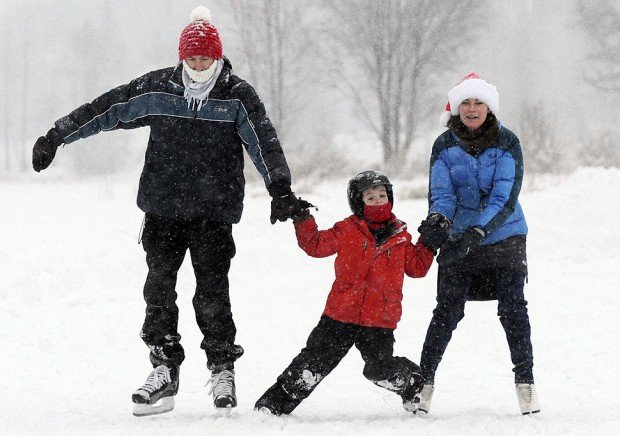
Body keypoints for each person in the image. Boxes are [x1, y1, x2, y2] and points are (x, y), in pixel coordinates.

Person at [31, 6, 305, 417]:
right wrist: (57, 136)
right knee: (158, 291)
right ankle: (163, 369)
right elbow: (109, 108)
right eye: (192, 58)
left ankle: (222, 369)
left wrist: (280, 189)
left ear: (218, 56)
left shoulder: (236, 95)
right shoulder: (160, 88)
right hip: (164, 209)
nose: (198, 65)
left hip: (214, 213)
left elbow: (263, 141)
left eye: (205, 58)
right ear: (182, 57)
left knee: (212, 295)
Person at [254, 170, 436, 416]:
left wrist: (429, 242)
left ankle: (413, 383)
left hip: (380, 319)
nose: (378, 201)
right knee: (312, 364)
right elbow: (315, 245)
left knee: (379, 370)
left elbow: (417, 268)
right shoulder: (347, 230)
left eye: (382, 195)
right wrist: (301, 216)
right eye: (370, 197)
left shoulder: (401, 236)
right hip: (340, 315)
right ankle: (273, 405)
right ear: (357, 202)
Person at [416, 73, 540, 415]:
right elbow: (442, 193)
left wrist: (478, 232)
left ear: (489, 107)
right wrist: (438, 223)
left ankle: (526, 384)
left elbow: (505, 197)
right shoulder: (444, 145)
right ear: (456, 108)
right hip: (459, 238)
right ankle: (422, 385)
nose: (472, 109)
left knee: (513, 308)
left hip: (504, 235)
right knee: (447, 310)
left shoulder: (507, 142)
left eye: (478, 102)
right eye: (465, 103)